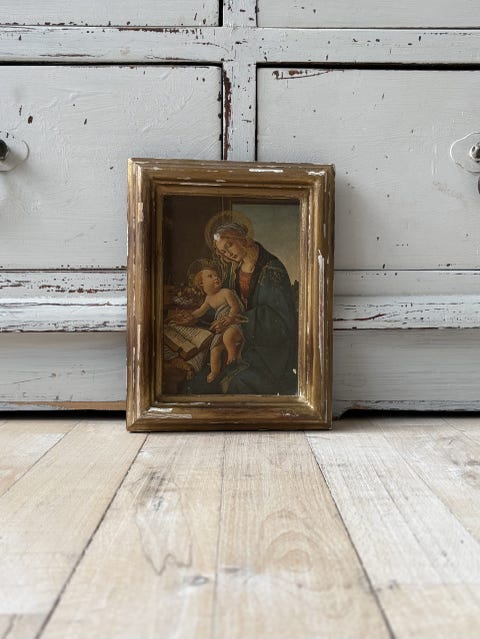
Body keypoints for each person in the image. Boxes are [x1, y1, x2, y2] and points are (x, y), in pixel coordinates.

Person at [187, 219, 298, 395]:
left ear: (242, 238)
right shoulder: (235, 270)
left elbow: (280, 320)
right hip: (241, 339)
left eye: (229, 245)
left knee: (234, 384)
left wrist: (239, 320)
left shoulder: (272, 270)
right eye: (223, 252)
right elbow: (224, 302)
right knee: (201, 375)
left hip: (269, 350)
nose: (228, 254)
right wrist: (195, 317)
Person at [176, 266, 245, 383]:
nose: (216, 277)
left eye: (216, 275)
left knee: (228, 337)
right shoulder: (208, 298)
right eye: (210, 276)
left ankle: (233, 360)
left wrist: (229, 318)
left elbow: (235, 307)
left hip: (234, 324)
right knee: (214, 350)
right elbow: (200, 311)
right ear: (201, 283)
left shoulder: (225, 292)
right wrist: (190, 315)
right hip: (221, 328)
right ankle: (214, 372)